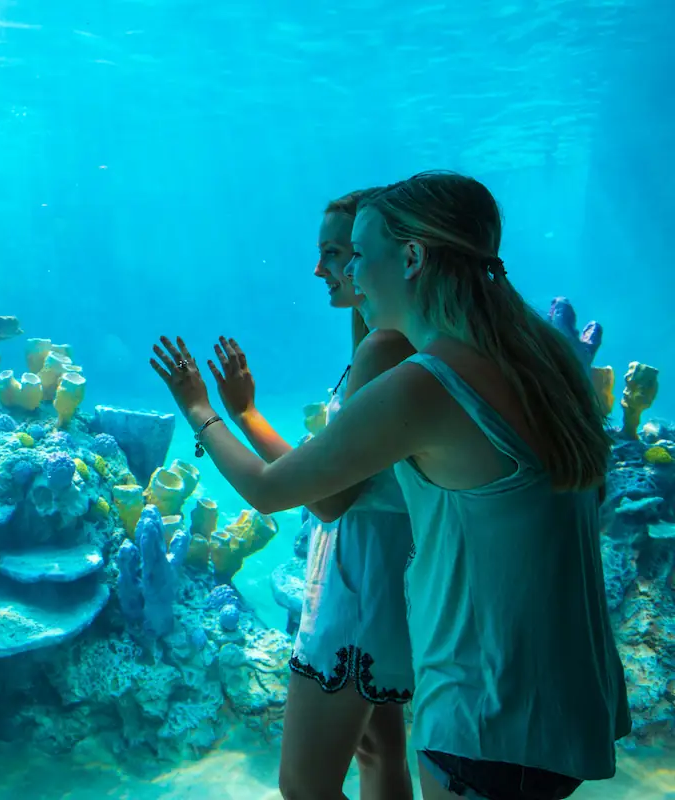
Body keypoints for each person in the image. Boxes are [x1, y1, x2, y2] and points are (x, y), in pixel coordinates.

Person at [150, 170, 631, 800]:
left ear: (411, 257)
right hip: (566, 710)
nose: (351, 272)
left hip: (486, 719)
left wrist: (200, 410)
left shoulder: (429, 384)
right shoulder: (544, 357)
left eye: (361, 255)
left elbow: (273, 491)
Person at [210, 188, 416, 800]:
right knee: (379, 752)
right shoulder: (380, 342)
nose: (322, 268)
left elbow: (327, 498)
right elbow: (329, 478)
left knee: (305, 785)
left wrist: (221, 415)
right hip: (377, 581)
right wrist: (248, 413)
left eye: (337, 251)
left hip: (357, 591)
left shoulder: (385, 351)